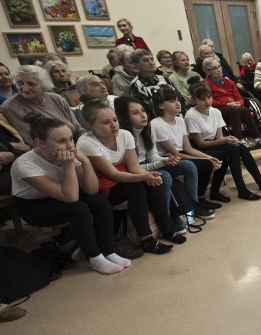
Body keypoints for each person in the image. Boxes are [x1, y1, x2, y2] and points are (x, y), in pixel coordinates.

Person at [11, 114, 132, 274]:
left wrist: (86, 162)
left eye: (71, 139)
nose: (69, 146)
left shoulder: (70, 154)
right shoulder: (25, 164)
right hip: (33, 205)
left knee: (99, 201)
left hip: (64, 193)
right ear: (40, 143)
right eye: (62, 141)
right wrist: (68, 166)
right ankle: (95, 258)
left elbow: (91, 189)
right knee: (78, 208)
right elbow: (71, 198)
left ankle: (108, 251)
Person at [76, 98, 181, 248]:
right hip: (100, 185)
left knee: (157, 180)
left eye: (115, 120)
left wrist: (148, 176)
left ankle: (167, 226)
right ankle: (146, 238)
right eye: (106, 123)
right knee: (136, 187)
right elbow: (112, 174)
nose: (113, 125)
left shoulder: (124, 134)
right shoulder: (86, 142)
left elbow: (134, 166)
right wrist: (143, 176)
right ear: (90, 125)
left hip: (121, 176)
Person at [114, 96, 214, 223]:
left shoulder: (148, 128)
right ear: (125, 117)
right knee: (165, 176)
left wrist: (164, 160)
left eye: (143, 110)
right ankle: (168, 217)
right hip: (135, 172)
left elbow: (152, 156)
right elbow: (133, 167)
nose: (143, 115)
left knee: (188, 165)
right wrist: (160, 162)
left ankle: (194, 204)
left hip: (149, 164)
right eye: (135, 113)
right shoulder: (124, 135)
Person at [185, 81, 261, 201]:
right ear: (194, 100)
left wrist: (229, 139)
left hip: (214, 143)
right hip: (199, 147)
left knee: (240, 146)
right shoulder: (191, 115)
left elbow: (219, 137)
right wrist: (225, 141)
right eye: (202, 100)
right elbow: (200, 143)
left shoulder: (215, 111)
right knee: (231, 149)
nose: (207, 102)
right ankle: (242, 189)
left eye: (209, 97)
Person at [150, 86, 224, 205]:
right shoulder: (156, 124)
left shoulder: (179, 120)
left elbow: (188, 148)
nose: (177, 103)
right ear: (161, 106)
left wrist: (208, 157)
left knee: (213, 159)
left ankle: (201, 197)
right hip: (168, 159)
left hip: (180, 154)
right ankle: (196, 201)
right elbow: (175, 154)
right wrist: (205, 159)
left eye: (177, 100)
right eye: (171, 101)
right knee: (205, 164)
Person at [2, 66, 83, 146]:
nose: (24, 89)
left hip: (77, 144)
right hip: (53, 152)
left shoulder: (56, 98)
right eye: (20, 83)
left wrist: (86, 143)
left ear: (44, 85)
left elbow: (78, 129)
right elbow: (33, 141)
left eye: (31, 84)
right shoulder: (11, 106)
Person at [202, 57, 261, 145]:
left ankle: (257, 138)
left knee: (245, 110)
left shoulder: (229, 81)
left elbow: (239, 97)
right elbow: (211, 101)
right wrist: (227, 104)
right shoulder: (206, 84)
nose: (219, 70)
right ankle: (240, 141)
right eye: (215, 68)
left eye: (219, 66)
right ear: (208, 71)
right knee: (233, 111)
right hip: (219, 108)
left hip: (234, 106)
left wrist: (239, 103)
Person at [129, 49, 180, 120]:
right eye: (146, 60)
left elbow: (178, 97)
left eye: (152, 59)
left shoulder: (163, 79)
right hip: (157, 120)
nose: (151, 62)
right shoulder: (137, 84)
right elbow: (148, 109)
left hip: (176, 116)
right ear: (137, 65)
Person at [0, 111, 29, 196]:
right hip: (4, 173)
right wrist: (10, 145)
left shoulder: (3, 115)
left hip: (20, 160)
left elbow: (24, 146)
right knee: (35, 181)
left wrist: (14, 154)